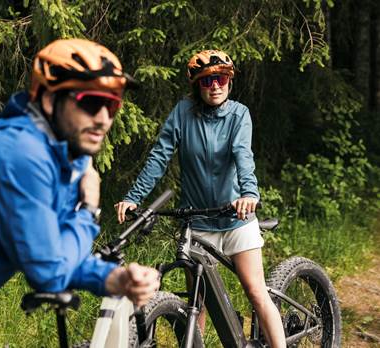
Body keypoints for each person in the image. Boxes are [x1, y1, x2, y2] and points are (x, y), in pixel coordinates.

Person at [114, 50, 286, 346]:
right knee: (198, 302)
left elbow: (243, 155)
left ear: (229, 81)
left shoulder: (239, 114)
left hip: (236, 219)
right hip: (197, 222)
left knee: (256, 292)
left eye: (220, 78)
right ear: (197, 86)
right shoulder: (182, 112)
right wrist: (133, 197)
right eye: (207, 81)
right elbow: (159, 157)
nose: (215, 86)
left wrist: (249, 193)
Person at [0, 38, 159, 307]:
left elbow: (58, 254)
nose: (104, 119)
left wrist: (115, 278)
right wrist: (89, 209)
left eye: (113, 105)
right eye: (91, 102)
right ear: (49, 99)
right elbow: (49, 275)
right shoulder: (21, 153)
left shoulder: (65, 154)